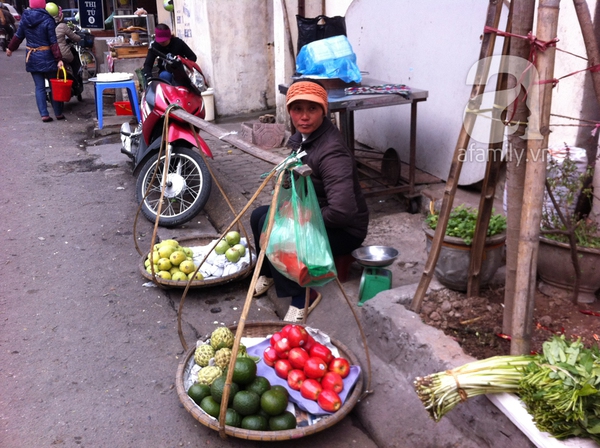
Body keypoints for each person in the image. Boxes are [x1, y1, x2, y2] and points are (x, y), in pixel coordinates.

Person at [250, 79, 369, 322]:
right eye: (297, 109)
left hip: (345, 230)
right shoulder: (304, 139)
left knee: (273, 230)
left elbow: (343, 211)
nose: (304, 117)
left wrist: (302, 215)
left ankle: (302, 295)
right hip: (318, 213)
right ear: (289, 111)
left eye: (312, 109)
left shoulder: (331, 151)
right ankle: (268, 271)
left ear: (323, 111)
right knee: (259, 216)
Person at [6, 0, 65, 122]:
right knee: (54, 85)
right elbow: (53, 42)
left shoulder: (25, 19)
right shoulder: (48, 19)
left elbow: (18, 36)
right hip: (48, 56)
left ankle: (44, 114)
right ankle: (58, 113)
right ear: (43, 5)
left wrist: (10, 48)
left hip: (32, 57)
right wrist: (58, 59)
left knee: (39, 87)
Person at [46, 3, 82, 94]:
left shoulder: (43, 26)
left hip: (49, 55)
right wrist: (79, 38)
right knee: (75, 62)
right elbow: (74, 37)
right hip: (64, 54)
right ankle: (76, 81)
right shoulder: (62, 26)